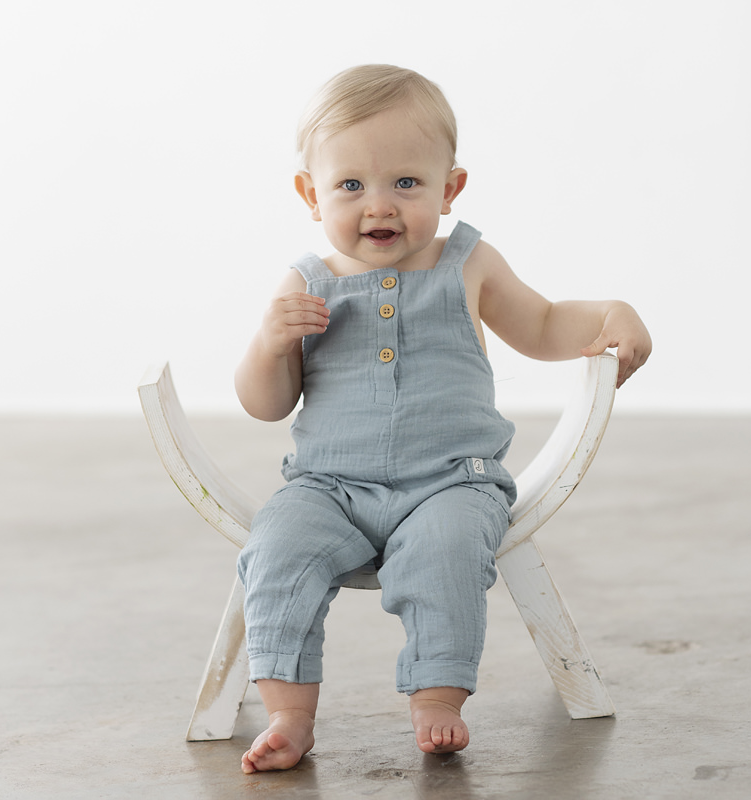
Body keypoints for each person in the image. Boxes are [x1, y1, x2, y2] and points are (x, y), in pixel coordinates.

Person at [233, 64, 651, 774]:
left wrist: (612, 313)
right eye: (350, 186)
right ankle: (289, 715)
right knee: (277, 552)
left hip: (452, 482)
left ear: (449, 188)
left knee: (448, 557)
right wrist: (271, 342)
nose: (379, 206)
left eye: (405, 183)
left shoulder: (468, 263)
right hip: (328, 486)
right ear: (311, 194)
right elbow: (266, 403)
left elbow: (544, 324)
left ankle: (437, 701)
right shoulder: (306, 283)